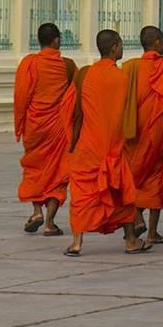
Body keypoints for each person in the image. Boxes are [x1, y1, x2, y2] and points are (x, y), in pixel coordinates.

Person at [62, 29, 142, 256]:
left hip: (88, 146)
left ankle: (77, 243)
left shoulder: (86, 75)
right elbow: (129, 114)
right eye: (121, 45)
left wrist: (71, 139)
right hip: (113, 146)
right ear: (115, 48)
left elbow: (70, 110)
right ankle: (130, 242)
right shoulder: (123, 78)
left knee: (81, 194)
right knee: (122, 193)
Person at [121, 25, 163, 250]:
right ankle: (152, 232)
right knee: (155, 182)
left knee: (132, 180)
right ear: (157, 42)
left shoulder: (128, 68)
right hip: (160, 137)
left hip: (132, 136)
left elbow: (120, 102)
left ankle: (136, 217)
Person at [13, 22, 75, 237]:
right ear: (57, 40)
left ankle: (37, 212)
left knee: (35, 168)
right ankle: (49, 223)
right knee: (57, 172)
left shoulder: (29, 63)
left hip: (34, 126)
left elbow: (22, 96)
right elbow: (74, 95)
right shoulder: (67, 65)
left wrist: (19, 124)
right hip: (57, 127)